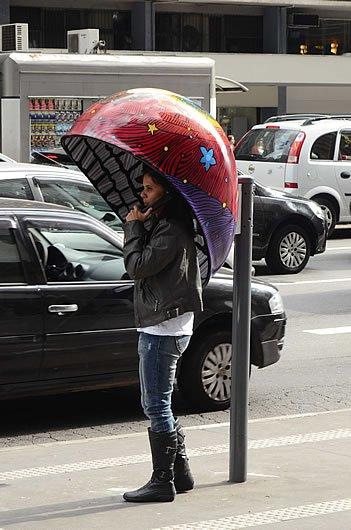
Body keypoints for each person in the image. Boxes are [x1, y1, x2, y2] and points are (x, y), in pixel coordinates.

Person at [122, 164, 203, 503]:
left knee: (155, 403)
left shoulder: (169, 229)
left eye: (150, 189)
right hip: (165, 323)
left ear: (167, 193)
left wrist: (133, 229)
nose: (143, 193)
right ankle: (180, 473)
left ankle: (162, 481)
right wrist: (141, 224)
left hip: (163, 327)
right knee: (159, 402)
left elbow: (137, 266)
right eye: (142, 187)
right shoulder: (164, 224)